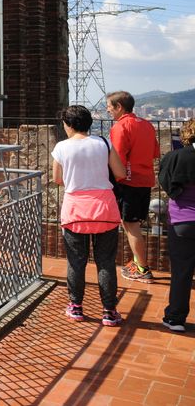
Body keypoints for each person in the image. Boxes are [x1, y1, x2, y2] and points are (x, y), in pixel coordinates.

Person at [51, 104, 127, 326]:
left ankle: (76, 306)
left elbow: (57, 179)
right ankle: (109, 311)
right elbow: (120, 173)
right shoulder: (103, 143)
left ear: (68, 125)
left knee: (76, 262)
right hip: (104, 208)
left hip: (75, 209)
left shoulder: (61, 147)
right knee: (106, 262)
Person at [106, 90, 161, 282]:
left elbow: (117, 158)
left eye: (109, 107)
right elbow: (155, 152)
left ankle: (143, 269)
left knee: (131, 225)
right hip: (145, 179)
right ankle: (138, 262)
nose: (108, 110)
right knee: (132, 224)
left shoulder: (120, 127)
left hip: (128, 182)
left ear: (119, 107)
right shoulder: (146, 125)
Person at [158, 118, 195, 333]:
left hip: (182, 220)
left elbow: (165, 181)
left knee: (181, 272)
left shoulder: (174, 157)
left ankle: (175, 318)